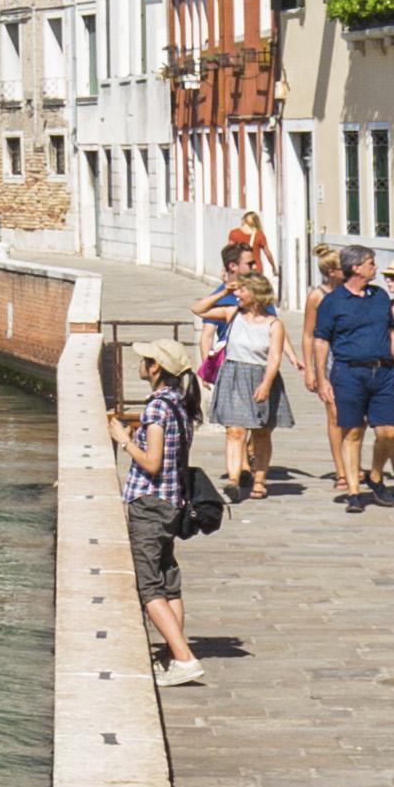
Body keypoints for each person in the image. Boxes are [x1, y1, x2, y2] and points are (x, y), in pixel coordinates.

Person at [111, 341, 201, 672]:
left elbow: (152, 463)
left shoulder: (157, 408)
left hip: (150, 504)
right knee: (168, 581)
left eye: (146, 359)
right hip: (173, 503)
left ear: (156, 368)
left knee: (149, 586)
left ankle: (184, 658)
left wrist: (123, 439)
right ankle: (173, 651)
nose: (141, 362)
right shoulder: (181, 405)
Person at [310, 246, 394, 505]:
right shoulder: (332, 302)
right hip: (349, 371)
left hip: (383, 372)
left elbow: (392, 334)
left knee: (389, 432)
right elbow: (321, 341)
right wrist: (321, 378)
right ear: (356, 268)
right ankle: (354, 492)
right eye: (371, 263)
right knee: (353, 432)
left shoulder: (379, 297)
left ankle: (376, 475)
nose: (375, 268)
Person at [198, 264, 286, 495]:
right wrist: (223, 293)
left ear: (255, 294)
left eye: (242, 290)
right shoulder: (232, 313)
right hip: (233, 374)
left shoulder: (274, 324)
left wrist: (266, 384)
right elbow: (198, 309)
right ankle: (234, 480)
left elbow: (275, 357)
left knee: (261, 432)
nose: (238, 294)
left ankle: (259, 480)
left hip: (260, 375)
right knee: (234, 431)